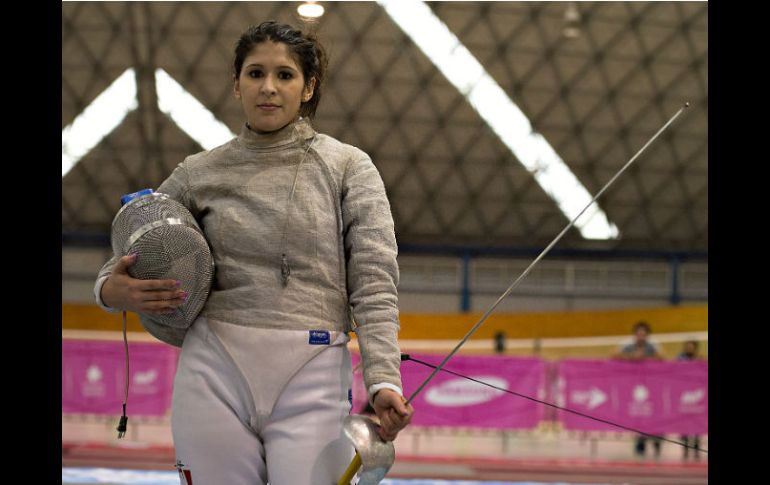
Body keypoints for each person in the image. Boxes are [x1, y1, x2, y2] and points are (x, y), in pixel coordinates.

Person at [94, 21, 413, 484]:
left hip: (314, 372)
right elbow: (132, 243)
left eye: (284, 75)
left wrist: (384, 379)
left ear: (308, 88)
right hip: (213, 370)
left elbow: (375, 280)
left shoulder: (347, 166)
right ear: (236, 84)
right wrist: (110, 289)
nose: (268, 87)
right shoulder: (199, 172)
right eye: (255, 73)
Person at [613, 321, 662, 459]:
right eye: (638, 334)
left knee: (654, 416)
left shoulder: (653, 346)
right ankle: (640, 443)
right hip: (634, 388)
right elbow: (615, 356)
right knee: (639, 416)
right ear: (635, 335)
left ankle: (657, 441)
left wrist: (645, 358)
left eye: (644, 334)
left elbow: (662, 359)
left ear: (647, 335)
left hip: (652, 388)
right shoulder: (627, 345)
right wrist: (632, 358)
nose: (641, 336)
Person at [677, 340, 702, 461]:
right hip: (684, 395)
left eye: (692, 347)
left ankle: (696, 446)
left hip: (697, 395)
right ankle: (685, 447)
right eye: (688, 347)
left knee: (698, 422)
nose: (689, 349)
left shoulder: (700, 359)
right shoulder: (680, 359)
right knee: (685, 423)